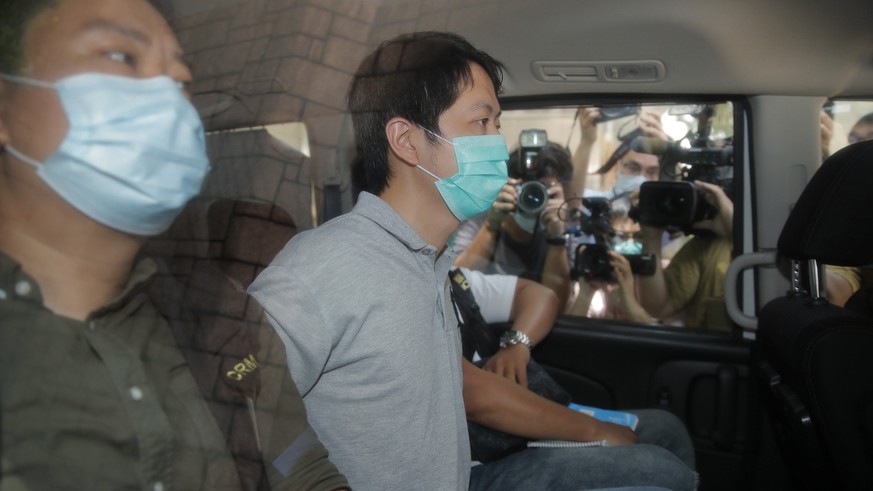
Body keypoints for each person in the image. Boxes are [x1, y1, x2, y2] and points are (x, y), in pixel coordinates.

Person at [0, 1, 348, 489]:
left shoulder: (218, 310)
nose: (166, 98)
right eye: (121, 57)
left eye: (181, 82)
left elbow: (298, 462)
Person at [248, 31, 509, 490]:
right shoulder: (325, 265)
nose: (497, 144)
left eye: (497, 125)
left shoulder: (428, 261)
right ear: (407, 142)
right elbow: (245, 414)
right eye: (481, 122)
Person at [453, 268, 698, 491]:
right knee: (659, 470)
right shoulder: (416, 292)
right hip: (464, 468)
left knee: (668, 430)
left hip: (503, 432)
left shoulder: (450, 277)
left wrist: (517, 344)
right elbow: (471, 393)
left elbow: (540, 294)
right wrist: (597, 431)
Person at [452, 141, 575, 308]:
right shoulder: (481, 219)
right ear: (508, 184)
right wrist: (490, 226)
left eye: (543, 189)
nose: (534, 197)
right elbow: (456, 285)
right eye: (526, 188)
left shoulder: (563, 231)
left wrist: (556, 238)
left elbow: (558, 305)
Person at [636, 181, 733, 329]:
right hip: (710, 347)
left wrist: (736, 231)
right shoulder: (704, 247)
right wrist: (651, 238)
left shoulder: (770, 246)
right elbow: (658, 308)